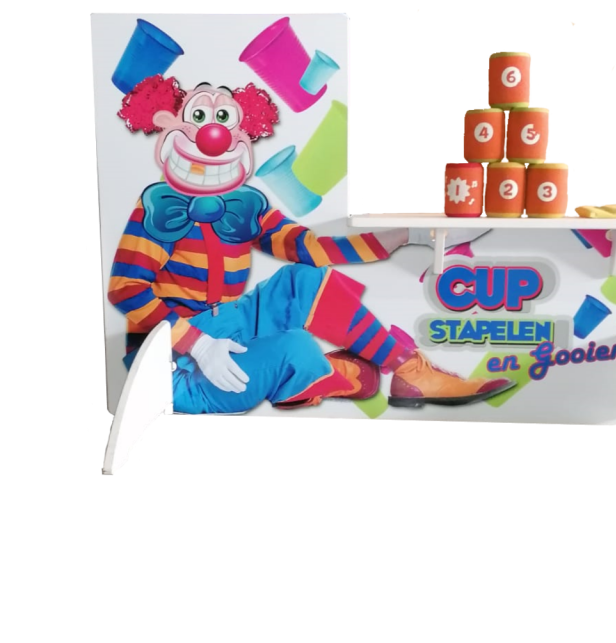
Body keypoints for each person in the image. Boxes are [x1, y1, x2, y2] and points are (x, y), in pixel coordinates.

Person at [109, 76, 509, 413]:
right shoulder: (157, 209)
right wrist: (197, 345)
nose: (213, 135)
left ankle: (410, 372)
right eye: (199, 117)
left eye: (223, 118)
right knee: (296, 348)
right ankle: (337, 376)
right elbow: (126, 289)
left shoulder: (246, 205)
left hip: (227, 324)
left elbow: (309, 248)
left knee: (302, 280)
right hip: (166, 364)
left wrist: (411, 235)